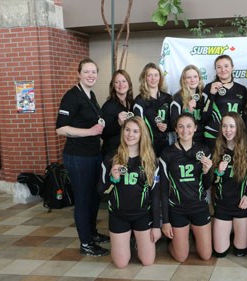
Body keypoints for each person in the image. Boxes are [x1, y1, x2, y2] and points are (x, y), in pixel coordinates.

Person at [56, 58, 109, 257]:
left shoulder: (91, 94)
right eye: (86, 72)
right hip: (78, 157)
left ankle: (92, 234)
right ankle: (85, 243)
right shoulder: (72, 96)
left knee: (94, 197)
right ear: (79, 73)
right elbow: (61, 128)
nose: (91, 75)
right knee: (83, 199)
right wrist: (90, 131)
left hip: (93, 155)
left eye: (94, 72)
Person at [100, 117, 161, 268]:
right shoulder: (111, 158)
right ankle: (127, 241)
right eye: (127, 130)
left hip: (142, 215)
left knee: (147, 261)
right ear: (122, 131)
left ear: (142, 134)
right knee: (120, 264)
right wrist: (113, 180)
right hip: (118, 215)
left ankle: (138, 243)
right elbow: (101, 193)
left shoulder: (151, 160)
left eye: (135, 131)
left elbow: (155, 195)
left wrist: (156, 225)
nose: (130, 134)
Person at [159, 112, 213, 262]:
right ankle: (175, 242)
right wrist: (165, 221)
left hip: (199, 206)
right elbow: (163, 190)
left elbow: (207, 185)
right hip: (177, 208)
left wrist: (207, 171)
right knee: (181, 257)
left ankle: (189, 236)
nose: (185, 130)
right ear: (175, 129)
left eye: (189, 126)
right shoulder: (167, 153)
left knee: (206, 255)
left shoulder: (204, 151)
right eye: (181, 127)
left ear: (195, 128)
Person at [212, 112, 247, 257]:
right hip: (222, 205)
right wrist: (218, 172)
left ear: (239, 128)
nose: (228, 130)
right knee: (220, 253)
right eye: (224, 126)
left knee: (240, 252)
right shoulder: (217, 149)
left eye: (232, 126)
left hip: (241, 205)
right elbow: (211, 181)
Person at [202, 55, 247, 150]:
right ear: (215, 69)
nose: (223, 70)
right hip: (213, 136)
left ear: (232, 67)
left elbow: (246, 115)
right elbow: (204, 116)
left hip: (235, 137)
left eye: (226, 66)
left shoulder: (242, 89)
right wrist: (211, 94)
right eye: (219, 67)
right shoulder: (208, 87)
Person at [133, 63, 172, 156]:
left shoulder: (168, 98)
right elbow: (138, 126)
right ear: (144, 78)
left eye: (156, 75)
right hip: (148, 146)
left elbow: (175, 121)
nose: (153, 78)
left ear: (160, 78)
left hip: (166, 145)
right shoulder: (139, 100)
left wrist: (167, 127)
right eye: (149, 75)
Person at [101, 69, 135, 158]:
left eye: (124, 81)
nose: (121, 85)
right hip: (113, 153)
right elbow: (103, 134)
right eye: (117, 82)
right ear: (113, 85)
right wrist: (118, 123)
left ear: (129, 84)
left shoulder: (133, 103)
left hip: (129, 152)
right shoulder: (108, 106)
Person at [170, 65, 205, 144]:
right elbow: (173, 124)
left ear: (199, 78)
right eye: (189, 77)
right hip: (185, 141)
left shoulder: (204, 95)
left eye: (195, 76)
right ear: (184, 80)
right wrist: (188, 111)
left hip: (203, 139)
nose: (193, 80)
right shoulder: (177, 98)